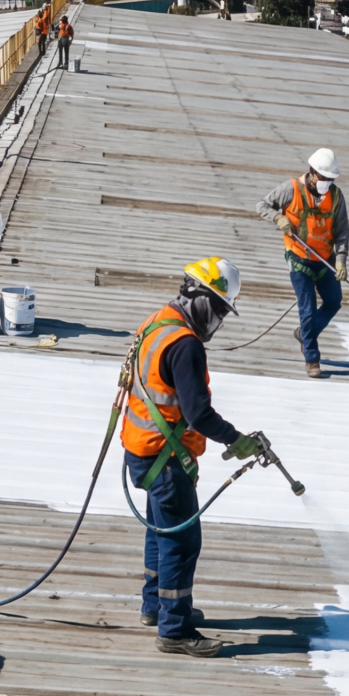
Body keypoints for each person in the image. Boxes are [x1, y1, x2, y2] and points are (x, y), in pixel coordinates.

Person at [121, 256, 266, 657]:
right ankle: (174, 628)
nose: (219, 320)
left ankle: (157, 605)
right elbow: (198, 414)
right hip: (165, 458)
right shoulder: (185, 345)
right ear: (201, 297)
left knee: (160, 530)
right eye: (219, 309)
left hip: (142, 448)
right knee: (182, 542)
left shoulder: (158, 322)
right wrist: (236, 440)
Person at [257, 147, 349, 378]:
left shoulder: (336, 197)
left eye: (331, 179)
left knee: (334, 302)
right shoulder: (291, 189)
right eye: (324, 178)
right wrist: (279, 218)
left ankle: (304, 334)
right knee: (306, 310)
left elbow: (342, 232)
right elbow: (262, 206)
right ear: (312, 172)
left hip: (325, 260)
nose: (327, 182)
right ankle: (312, 358)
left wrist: (341, 260)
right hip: (299, 259)